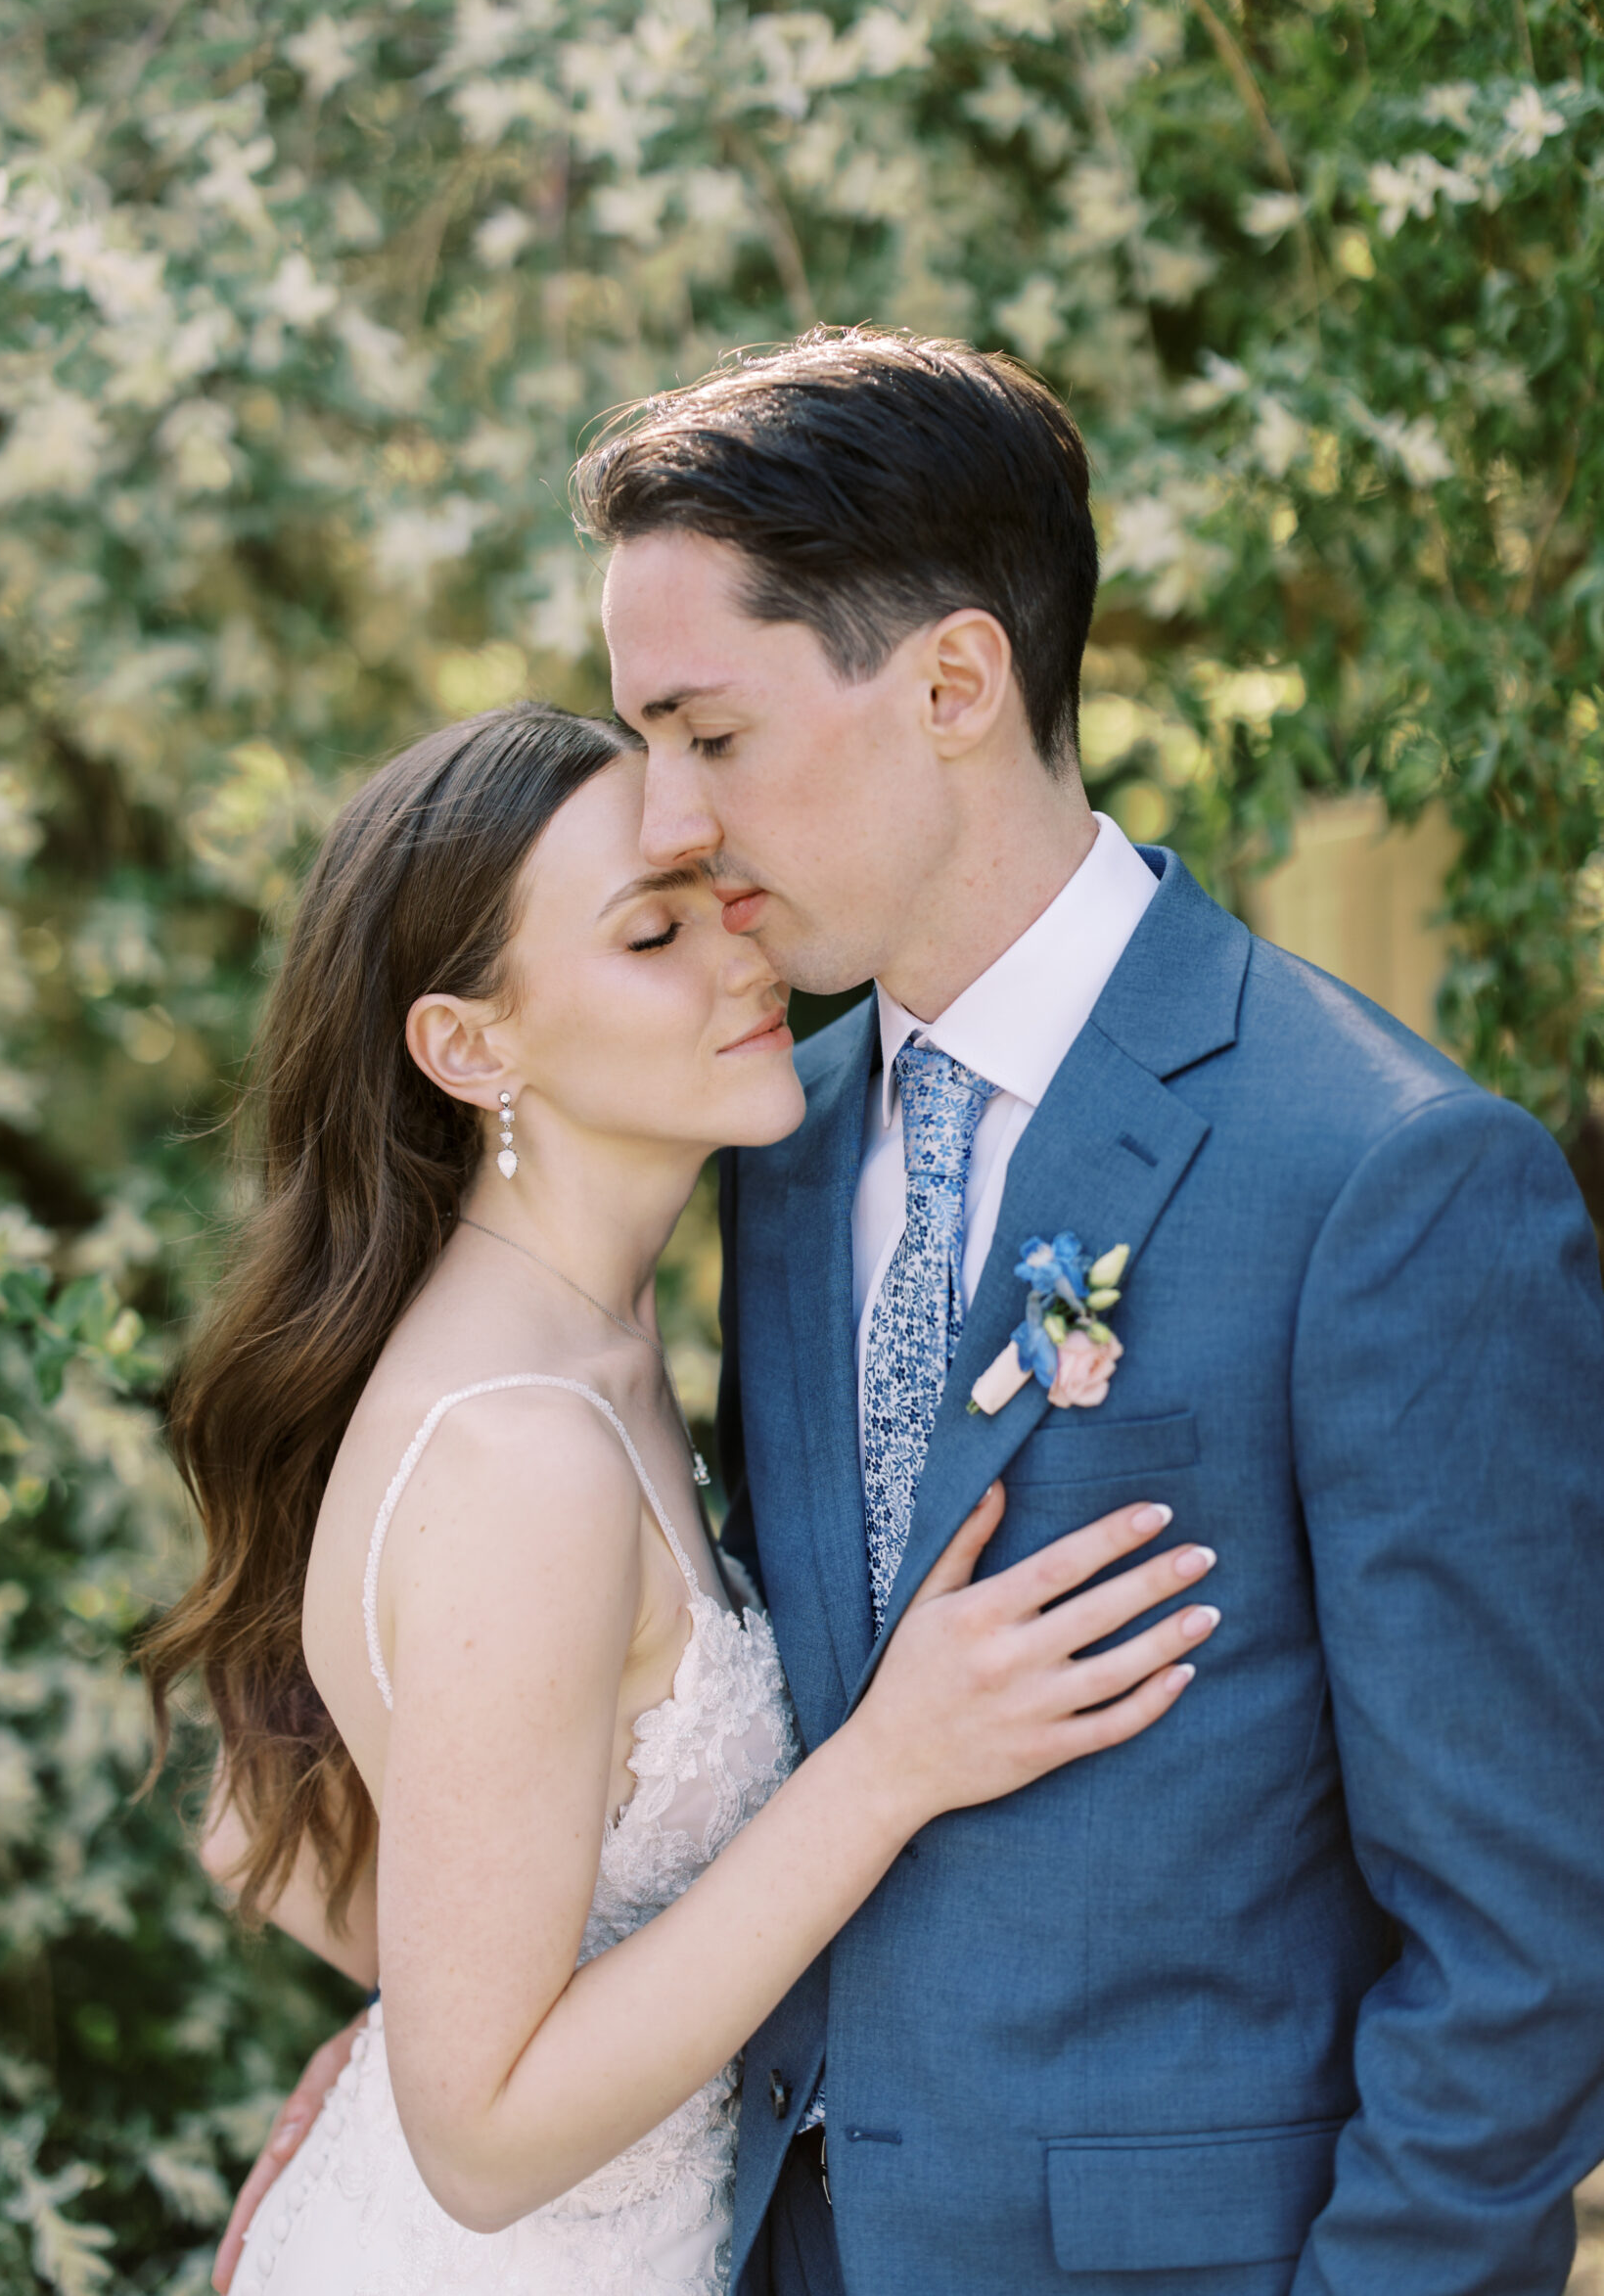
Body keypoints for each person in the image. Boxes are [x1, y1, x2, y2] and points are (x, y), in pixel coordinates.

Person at [217, 328, 1604, 2295]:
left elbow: (1528, 1953)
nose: (672, 819)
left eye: (707, 733)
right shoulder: (772, 1154)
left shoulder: (1383, 1179)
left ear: (952, 680)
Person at [149, 701, 1219, 2296]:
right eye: (654, 935)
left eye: (722, 900)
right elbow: (486, 2143)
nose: (745, 960)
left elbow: (257, 1827)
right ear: (469, 1045)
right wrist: (888, 1769)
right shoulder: (523, 1458)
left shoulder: (593, 1341)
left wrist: (416, 2029)